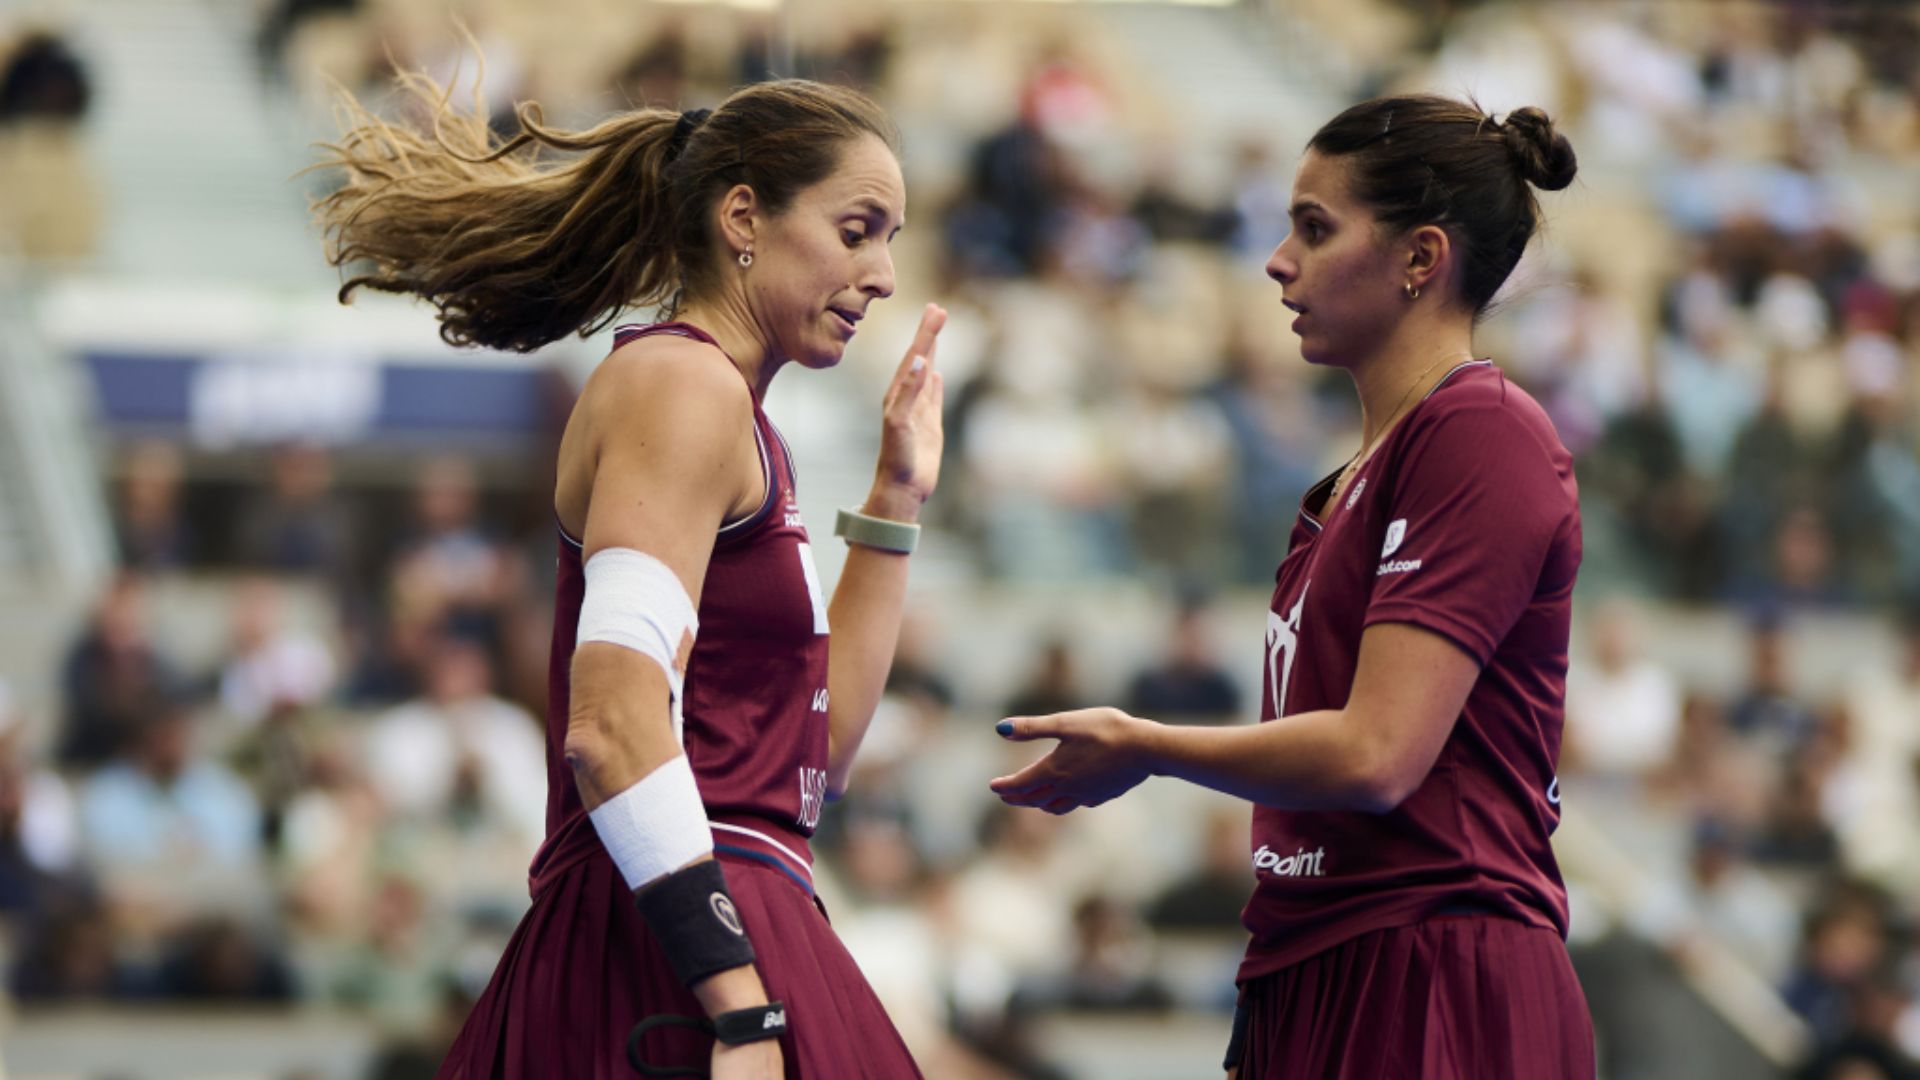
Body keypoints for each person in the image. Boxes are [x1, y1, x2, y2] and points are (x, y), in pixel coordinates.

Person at [316, 70, 945, 1078]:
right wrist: (739, 1006)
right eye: (856, 230)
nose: (881, 274)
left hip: (732, 907)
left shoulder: (730, 412)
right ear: (744, 217)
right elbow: (609, 728)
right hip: (668, 945)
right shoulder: (679, 384)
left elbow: (813, 758)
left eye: (891, 240)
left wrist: (896, 497)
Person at [990, 94, 1594, 1078]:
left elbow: (1377, 754)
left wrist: (1147, 746)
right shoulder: (1345, 485)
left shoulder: (1480, 431)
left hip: (1436, 962)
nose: (1278, 261)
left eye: (1315, 228)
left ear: (1420, 258)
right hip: (1314, 958)